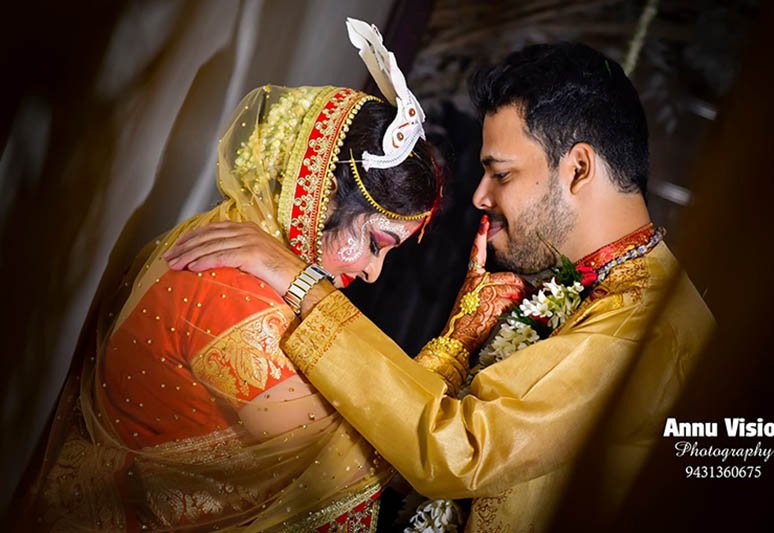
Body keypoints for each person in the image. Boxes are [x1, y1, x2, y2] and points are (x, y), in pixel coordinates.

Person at [166, 42, 715, 531]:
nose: (480, 197)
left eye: (500, 174)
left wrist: (303, 283)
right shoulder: (600, 288)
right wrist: (459, 341)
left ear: (576, 170)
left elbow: (461, 449)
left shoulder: (645, 328)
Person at [13, 19, 492, 532]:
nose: (373, 272)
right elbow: (357, 468)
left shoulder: (225, 230)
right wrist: (457, 344)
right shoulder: (242, 305)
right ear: (322, 196)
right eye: (376, 243)